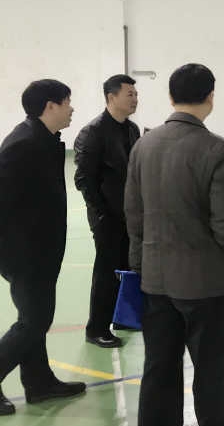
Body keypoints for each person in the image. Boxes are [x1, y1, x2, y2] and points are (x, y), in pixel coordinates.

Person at [125, 63, 224, 426]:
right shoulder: (218, 149)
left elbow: (134, 215)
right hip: (205, 282)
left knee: (159, 368)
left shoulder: (143, 145)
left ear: (171, 96)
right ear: (210, 97)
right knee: (210, 372)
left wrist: (140, 265)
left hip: (156, 279)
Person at [0, 80, 86, 416]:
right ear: (50, 106)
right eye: (67, 102)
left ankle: (39, 383)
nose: (71, 108)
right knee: (34, 321)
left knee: (35, 319)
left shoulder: (42, 139)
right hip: (24, 254)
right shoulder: (23, 145)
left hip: (39, 250)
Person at [74, 74, 140, 348]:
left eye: (136, 94)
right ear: (111, 97)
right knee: (106, 273)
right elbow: (83, 180)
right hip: (107, 218)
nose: (135, 99)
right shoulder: (93, 132)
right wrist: (102, 214)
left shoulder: (132, 129)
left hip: (129, 215)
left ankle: (122, 318)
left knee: (128, 267)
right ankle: (96, 329)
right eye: (129, 94)